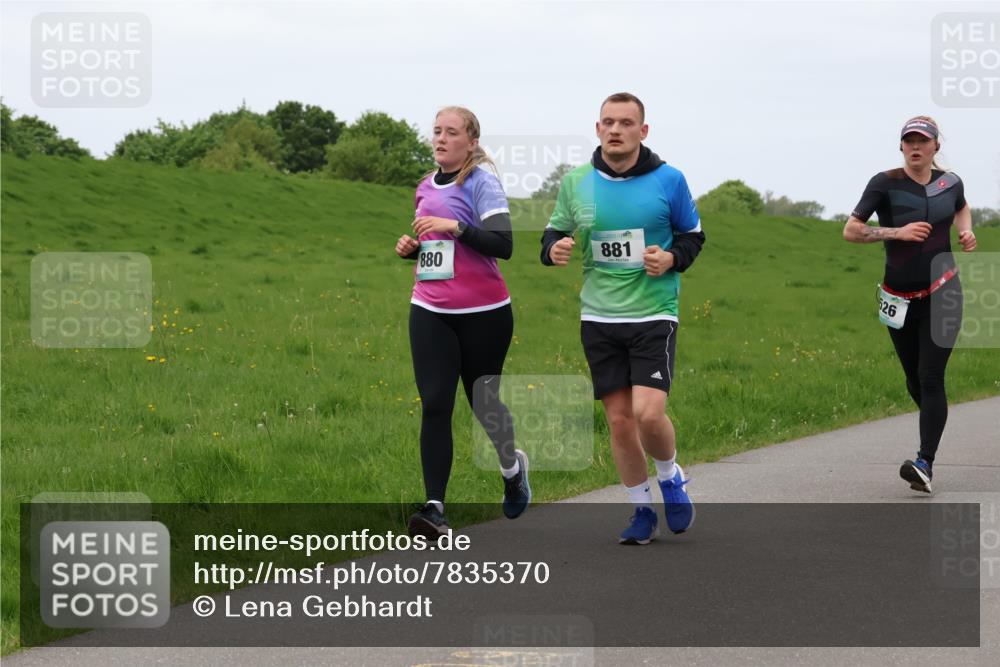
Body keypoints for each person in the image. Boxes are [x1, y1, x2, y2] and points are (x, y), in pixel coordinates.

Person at [540, 92, 705, 544]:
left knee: (648, 414)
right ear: (597, 129)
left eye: (626, 123)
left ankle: (671, 477)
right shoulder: (577, 183)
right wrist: (552, 249)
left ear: (643, 131)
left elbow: (693, 236)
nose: (616, 130)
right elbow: (555, 230)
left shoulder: (669, 180)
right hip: (598, 317)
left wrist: (671, 259)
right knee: (618, 421)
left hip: (653, 313)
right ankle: (640, 510)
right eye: (608, 122)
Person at [395, 106, 530, 539]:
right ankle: (434, 509)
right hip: (430, 309)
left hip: (484, 314)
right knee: (435, 402)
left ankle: (512, 468)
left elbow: (503, 244)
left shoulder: (481, 182)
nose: (440, 139)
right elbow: (437, 251)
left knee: (484, 403)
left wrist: (454, 227)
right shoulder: (423, 186)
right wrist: (414, 248)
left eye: (451, 132)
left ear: (470, 141)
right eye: (436, 131)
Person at [843, 115, 976, 493]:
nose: (915, 147)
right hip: (898, 299)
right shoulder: (885, 183)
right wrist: (895, 232)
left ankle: (924, 463)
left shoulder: (951, 182)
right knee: (915, 380)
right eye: (909, 141)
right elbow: (851, 230)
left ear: (936, 146)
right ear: (901, 146)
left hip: (943, 291)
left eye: (923, 141)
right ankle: (935, 421)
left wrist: (965, 229)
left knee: (932, 375)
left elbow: (962, 206)